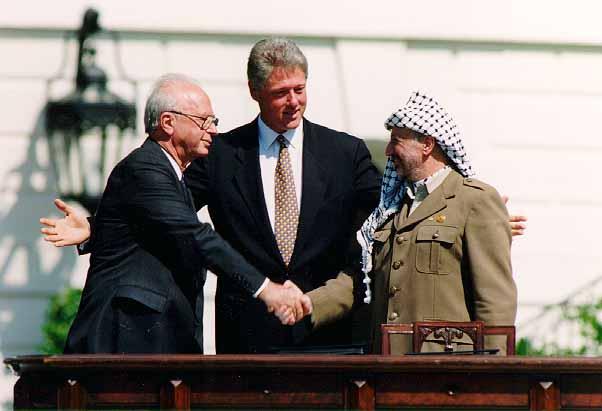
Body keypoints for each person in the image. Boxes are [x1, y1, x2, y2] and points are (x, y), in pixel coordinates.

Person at [42, 39, 526, 354]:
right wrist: (99, 226)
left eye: (300, 89)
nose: (293, 101)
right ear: (255, 92)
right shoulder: (221, 153)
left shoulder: (346, 152)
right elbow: (169, 216)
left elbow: (394, 206)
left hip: (328, 335)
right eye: (280, 93)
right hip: (246, 340)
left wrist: (469, 210)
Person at [44, 74, 305, 354]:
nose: (213, 130)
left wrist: (95, 227)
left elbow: (150, 222)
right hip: (125, 343)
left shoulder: (173, 175)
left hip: (158, 343)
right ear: (168, 123)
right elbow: (193, 235)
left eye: (213, 121)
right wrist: (266, 290)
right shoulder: (145, 168)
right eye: (204, 121)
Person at [291, 91, 517, 355]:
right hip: (386, 368)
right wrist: (307, 304)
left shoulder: (474, 200)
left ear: (427, 145)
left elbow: (495, 301)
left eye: (396, 141)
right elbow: (361, 279)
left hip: (448, 371)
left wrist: (493, 372)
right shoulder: (390, 207)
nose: (387, 151)